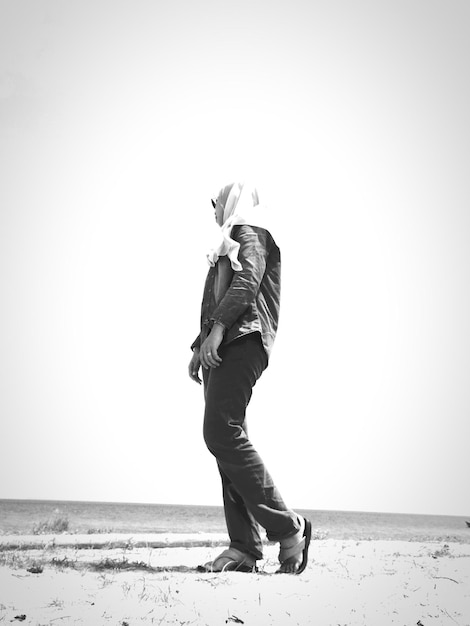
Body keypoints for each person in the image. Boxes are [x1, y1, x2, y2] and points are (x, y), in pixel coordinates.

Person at [188, 182, 311, 574]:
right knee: (228, 442)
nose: (213, 210)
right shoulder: (230, 238)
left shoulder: (250, 231)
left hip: (243, 341)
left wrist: (220, 330)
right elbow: (217, 300)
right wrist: (198, 345)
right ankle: (244, 548)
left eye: (216, 203)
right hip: (224, 345)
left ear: (233, 203)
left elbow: (247, 282)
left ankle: (288, 529)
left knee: (220, 433)